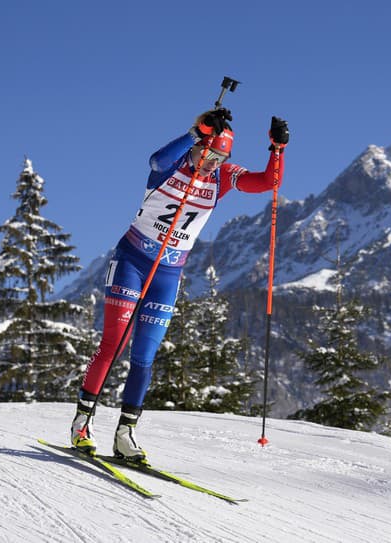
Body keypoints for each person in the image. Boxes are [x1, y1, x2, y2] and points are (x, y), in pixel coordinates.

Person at [70, 108, 289, 461]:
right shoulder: (171, 168)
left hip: (168, 273)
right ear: (197, 147)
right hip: (132, 261)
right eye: (207, 154)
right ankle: (82, 423)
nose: (212, 163)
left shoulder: (221, 179)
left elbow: (268, 183)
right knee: (114, 344)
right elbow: (156, 160)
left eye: (220, 158)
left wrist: (276, 150)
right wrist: (195, 131)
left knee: (145, 356)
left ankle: (126, 434)